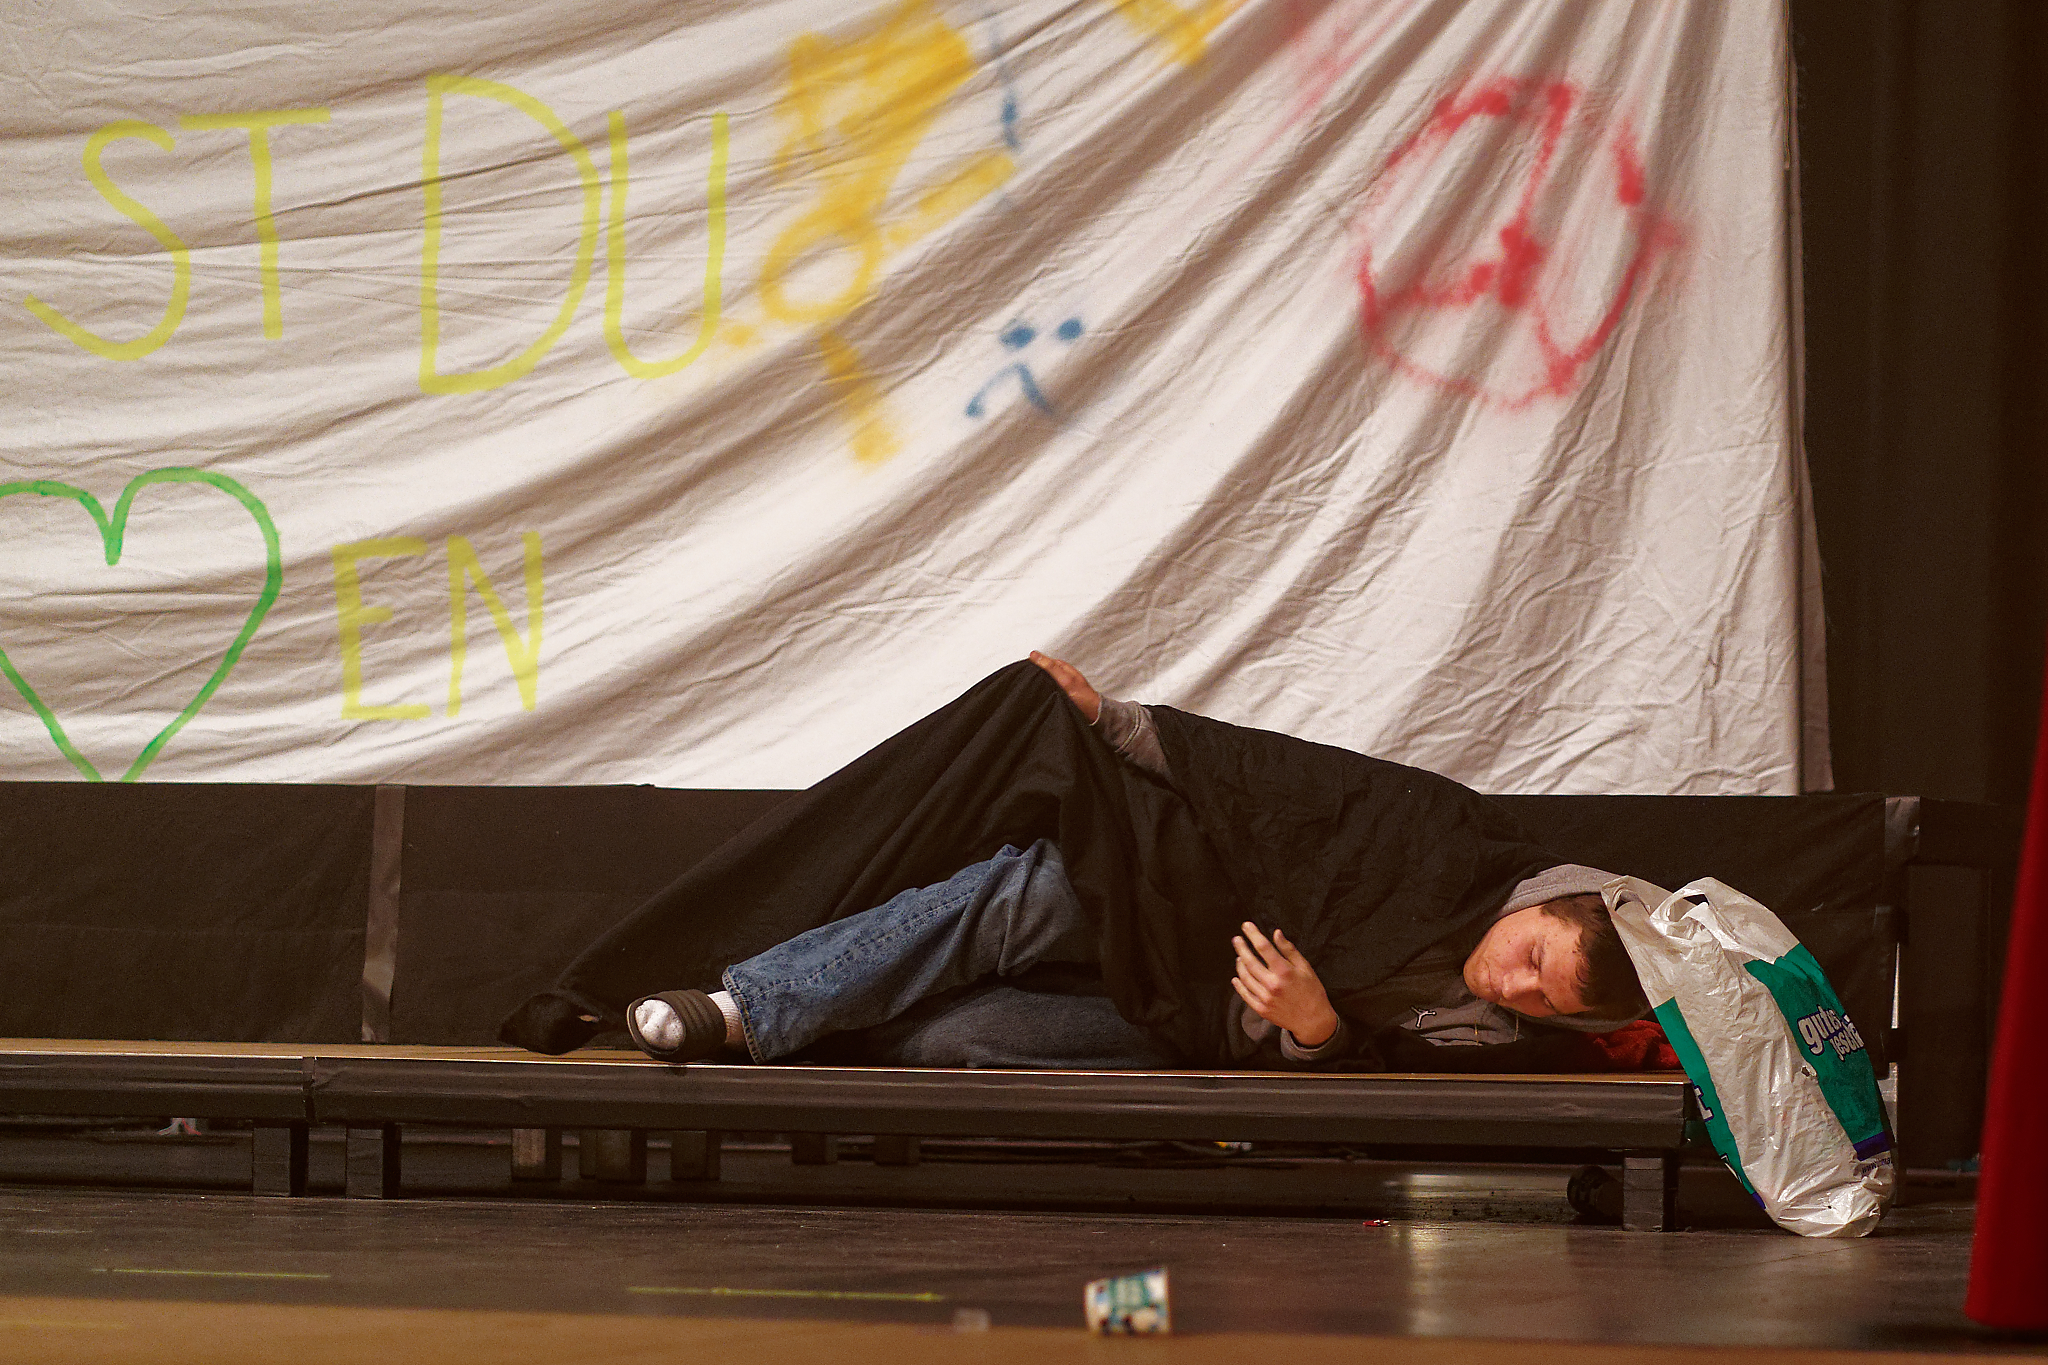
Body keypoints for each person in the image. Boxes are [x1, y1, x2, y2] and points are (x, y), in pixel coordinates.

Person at [623, 652, 1648, 1070]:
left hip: (1199, 1025)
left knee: (959, 1043)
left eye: (1547, 1002)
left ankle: (809, 1032)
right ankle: (747, 1007)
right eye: (1532, 957)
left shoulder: (1503, 1039)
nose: (1514, 986)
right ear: (1544, 901)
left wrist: (1317, 1029)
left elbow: (1389, 1105)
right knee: (1029, 893)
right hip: (1178, 912)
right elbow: (1277, 782)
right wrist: (1107, 718)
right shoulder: (1446, 839)